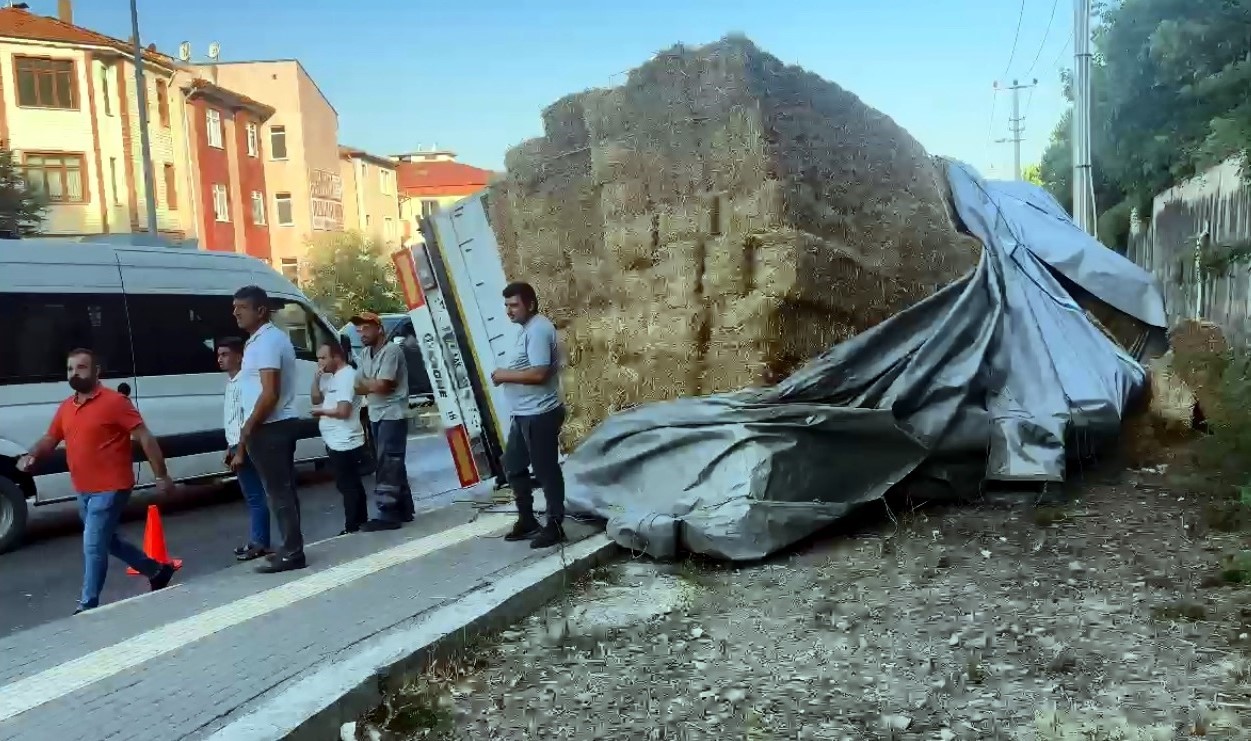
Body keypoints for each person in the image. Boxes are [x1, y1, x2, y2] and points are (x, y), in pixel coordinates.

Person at [17, 348, 177, 613]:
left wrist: (161, 475)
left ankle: (88, 604)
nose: (74, 373)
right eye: (70, 369)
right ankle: (156, 571)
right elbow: (50, 438)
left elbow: (145, 437)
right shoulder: (67, 407)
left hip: (112, 486)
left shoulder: (115, 402)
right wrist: (33, 455)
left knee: (92, 544)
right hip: (84, 488)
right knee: (108, 540)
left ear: (96, 371)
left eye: (81, 367)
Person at [231, 285, 305, 573]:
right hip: (269, 425)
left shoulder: (268, 342)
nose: (236, 312)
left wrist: (249, 426)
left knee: (279, 492)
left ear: (260, 310)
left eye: (242, 307)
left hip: (271, 426)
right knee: (280, 490)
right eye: (234, 307)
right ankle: (290, 548)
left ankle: (292, 552)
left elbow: (269, 392)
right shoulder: (257, 341)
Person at [490, 281, 567, 549]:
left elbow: (539, 373)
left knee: (546, 470)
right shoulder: (525, 330)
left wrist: (503, 375)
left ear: (530, 305)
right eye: (506, 306)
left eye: (514, 305)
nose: (509, 311)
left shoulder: (539, 329)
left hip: (540, 413)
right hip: (523, 414)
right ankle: (527, 520)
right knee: (513, 465)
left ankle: (555, 525)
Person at [351, 311, 415, 531]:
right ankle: (405, 508)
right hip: (376, 413)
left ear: (379, 329)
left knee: (388, 462)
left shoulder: (392, 350)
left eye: (366, 328)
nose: (361, 333)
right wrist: (373, 384)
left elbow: (384, 385)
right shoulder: (365, 354)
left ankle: (388, 513)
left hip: (392, 413)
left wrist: (371, 385)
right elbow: (358, 385)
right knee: (392, 461)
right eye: (358, 330)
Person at [217, 337, 271, 561]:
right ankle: (257, 539)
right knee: (251, 496)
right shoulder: (231, 383)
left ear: (239, 356)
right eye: (219, 355)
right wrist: (229, 448)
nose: (220, 359)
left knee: (256, 496)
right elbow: (232, 419)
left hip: (247, 444)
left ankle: (261, 542)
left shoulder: (246, 382)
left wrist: (240, 450)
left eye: (225, 354)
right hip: (236, 444)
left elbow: (246, 420)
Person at [310, 340, 369, 535]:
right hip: (334, 439)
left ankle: (352, 525)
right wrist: (316, 380)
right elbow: (316, 399)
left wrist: (320, 413)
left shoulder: (346, 377)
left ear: (337, 357)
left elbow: (344, 411)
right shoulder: (330, 377)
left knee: (347, 484)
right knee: (350, 482)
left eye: (323, 358)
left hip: (345, 440)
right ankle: (360, 521)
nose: (320, 362)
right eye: (318, 358)